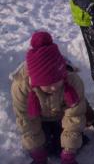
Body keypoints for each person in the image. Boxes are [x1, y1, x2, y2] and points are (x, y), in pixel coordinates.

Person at [11, 31, 86, 164]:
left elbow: (74, 116)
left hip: (61, 116)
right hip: (39, 118)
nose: (53, 88)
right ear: (36, 82)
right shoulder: (21, 87)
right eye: (47, 85)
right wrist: (36, 150)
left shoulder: (72, 81)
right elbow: (26, 120)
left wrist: (69, 149)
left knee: (67, 145)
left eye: (57, 82)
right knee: (43, 146)